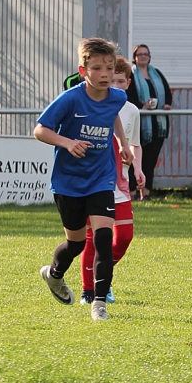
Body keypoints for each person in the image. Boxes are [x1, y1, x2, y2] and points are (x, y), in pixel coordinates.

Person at [35, 37, 132, 321]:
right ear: (83, 71)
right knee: (76, 243)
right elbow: (40, 130)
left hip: (101, 178)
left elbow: (113, 115)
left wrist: (123, 143)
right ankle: (54, 275)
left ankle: (98, 303)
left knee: (103, 237)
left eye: (110, 68)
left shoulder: (118, 97)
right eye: (97, 68)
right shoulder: (70, 99)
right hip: (68, 182)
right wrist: (67, 143)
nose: (105, 74)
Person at [79, 56, 144, 305]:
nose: (115, 85)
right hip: (95, 181)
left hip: (120, 183)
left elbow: (135, 144)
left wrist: (138, 168)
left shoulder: (132, 111)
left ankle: (102, 275)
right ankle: (89, 291)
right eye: (112, 80)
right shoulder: (91, 104)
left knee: (124, 236)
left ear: (128, 83)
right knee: (93, 239)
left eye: (120, 81)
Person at [127, 44, 172, 199]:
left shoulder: (156, 74)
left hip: (157, 125)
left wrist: (167, 104)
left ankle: (145, 193)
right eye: (140, 54)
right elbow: (127, 96)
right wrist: (142, 106)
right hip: (138, 124)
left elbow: (167, 92)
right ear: (135, 57)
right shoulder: (131, 75)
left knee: (150, 160)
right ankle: (132, 192)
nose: (143, 56)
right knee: (134, 159)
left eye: (146, 54)